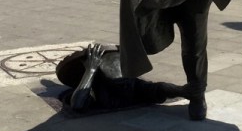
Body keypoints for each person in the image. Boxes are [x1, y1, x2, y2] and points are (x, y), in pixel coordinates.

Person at [56, 42, 191, 113]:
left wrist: (184, 91)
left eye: (126, 83)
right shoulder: (97, 88)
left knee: (146, 88)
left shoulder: (133, 86)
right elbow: (78, 106)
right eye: (121, 85)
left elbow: (159, 88)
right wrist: (90, 70)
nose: (126, 86)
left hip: (119, 82)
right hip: (97, 77)